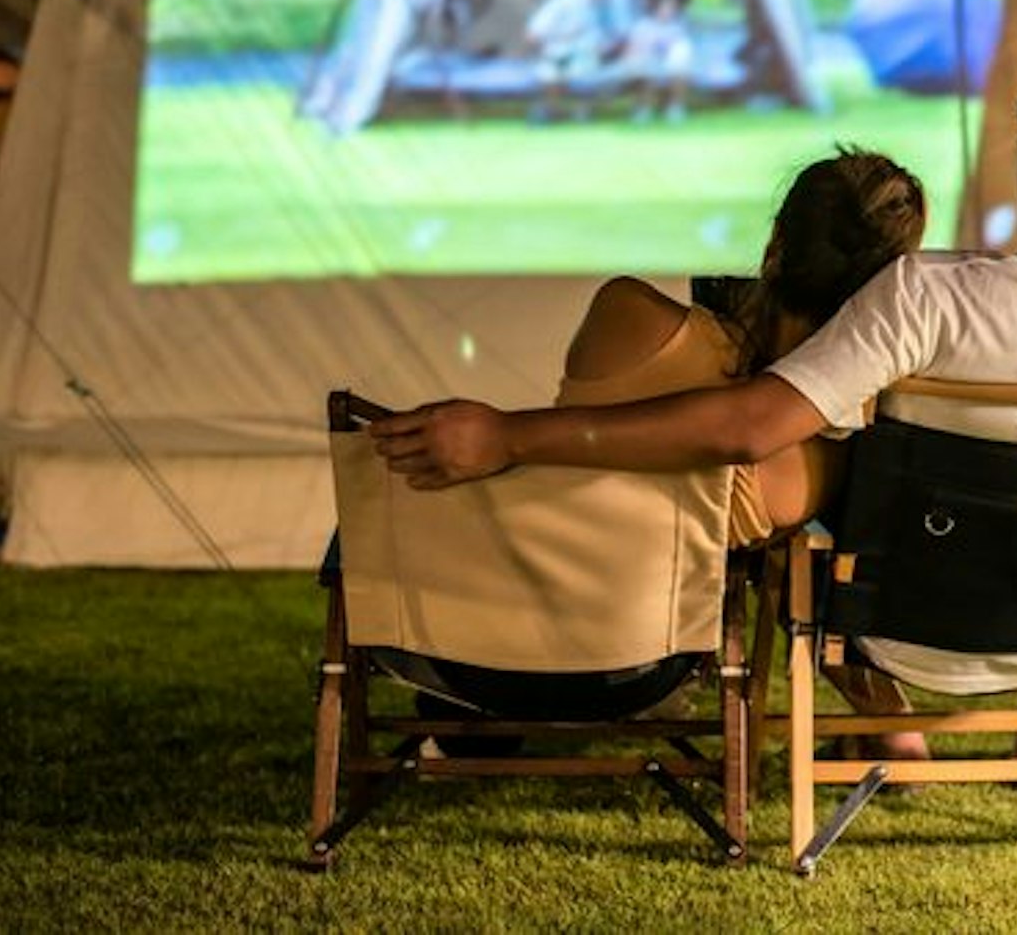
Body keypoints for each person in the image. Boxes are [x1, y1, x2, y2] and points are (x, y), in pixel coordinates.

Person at [373, 37, 1017, 759]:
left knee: (834, 501)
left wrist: (510, 436)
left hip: (905, 626)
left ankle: (895, 729)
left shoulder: (930, 297)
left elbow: (753, 423)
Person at [378, 147, 928, 726]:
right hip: (640, 667)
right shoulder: (825, 452)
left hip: (471, 640)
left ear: (775, 248)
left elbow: (729, 418)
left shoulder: (629, 312)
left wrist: (507, 436)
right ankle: (893, 731)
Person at [525, 0, 635, 123]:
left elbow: (626, 33)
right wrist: (561, 39)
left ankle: (580, 108)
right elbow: (533, 34)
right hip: (565, 52)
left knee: (633, 65)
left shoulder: (618, 0)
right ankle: (555, 109)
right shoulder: (567, 0)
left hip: (603, 56)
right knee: (556, 66)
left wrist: (618, 48)